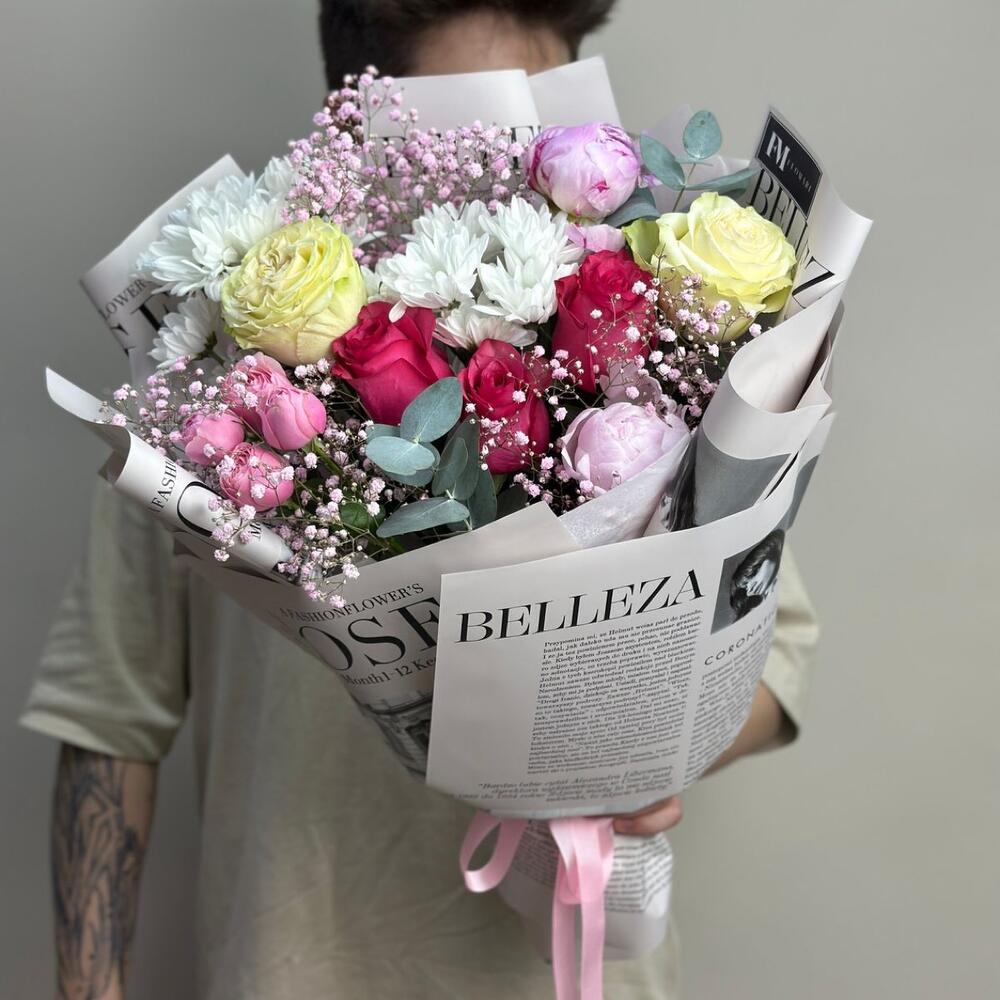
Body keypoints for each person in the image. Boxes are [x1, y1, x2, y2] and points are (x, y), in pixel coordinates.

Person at [21, 3, 820, 998]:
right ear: (356, 125)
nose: (505, 178)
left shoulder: (658, 348)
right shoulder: (206, 396)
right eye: (462, 134)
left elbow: (774, 655)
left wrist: (649, 751)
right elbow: (108, 718)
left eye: (536, 133)